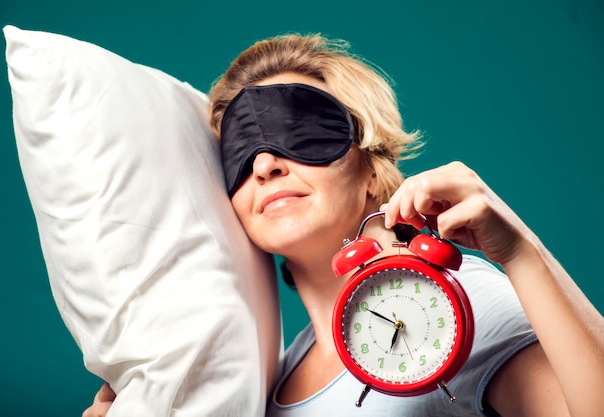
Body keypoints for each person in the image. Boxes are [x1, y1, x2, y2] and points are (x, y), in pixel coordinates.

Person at [84, 34, 604, 417]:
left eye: (298, 132)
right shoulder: (276, 372)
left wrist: (519, 253)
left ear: (372, 165)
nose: (265, 166)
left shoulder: (459, 304)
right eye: (239, 156)